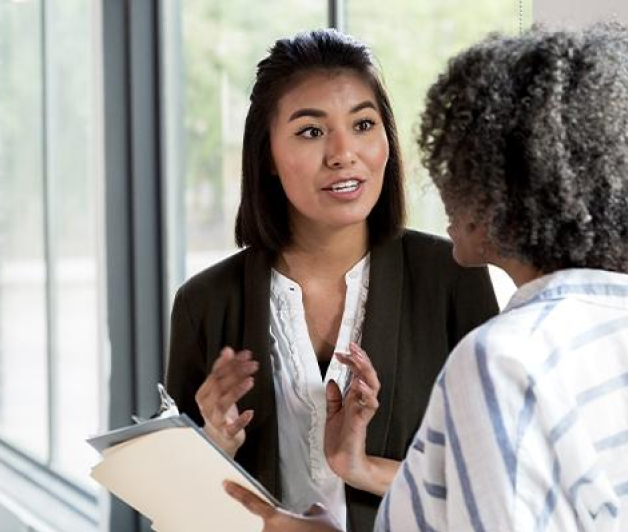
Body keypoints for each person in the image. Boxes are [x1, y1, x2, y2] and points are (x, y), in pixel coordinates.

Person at [224, 22, 628, 532]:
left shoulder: (500, 359)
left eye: (459, 165)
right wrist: (349, 476)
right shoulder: (609, 324)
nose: (438, 183)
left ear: (506, 189)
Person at [166, 29, 498, 531]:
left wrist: (361, 470)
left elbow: (496, 481)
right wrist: (215, 446)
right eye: (311, 131)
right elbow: (175, 512)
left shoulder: (452, 279)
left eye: (363, 124)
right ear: (268, 158)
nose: (344, 153)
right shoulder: (205, 303)